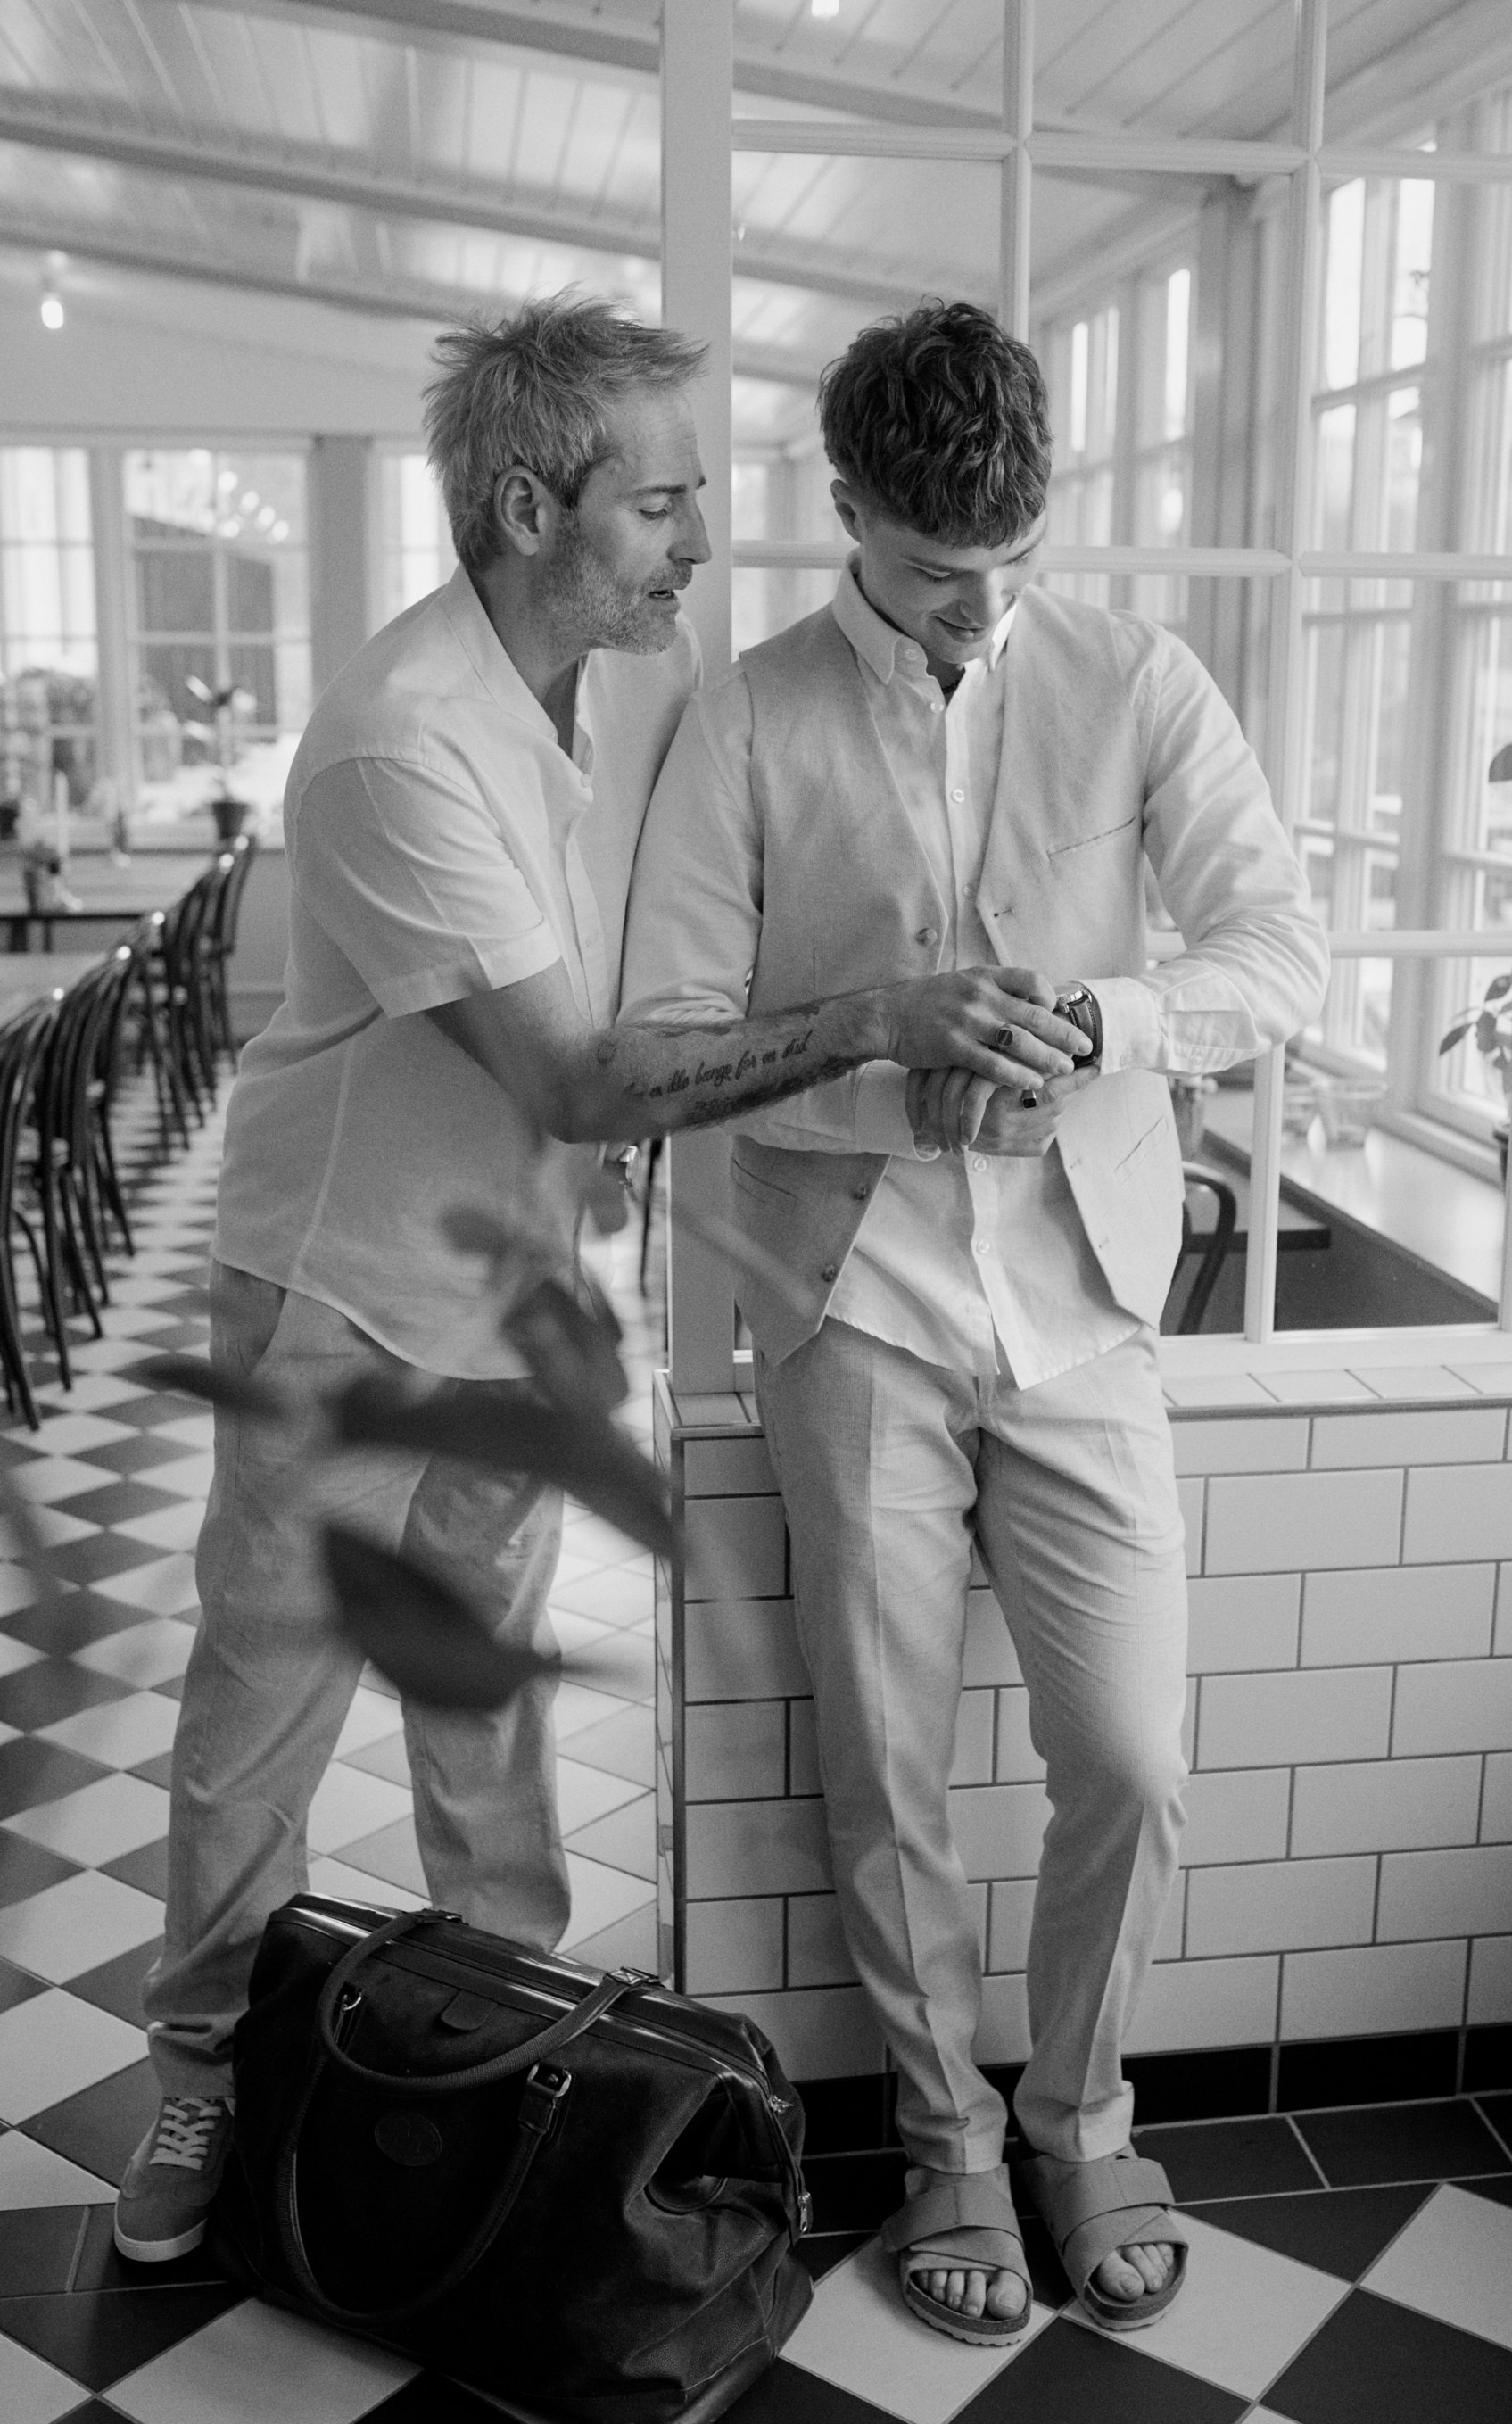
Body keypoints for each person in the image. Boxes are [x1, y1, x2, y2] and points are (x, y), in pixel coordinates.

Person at [116, 293, 1091, 2263]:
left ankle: (501, 2069)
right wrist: (884, 1014)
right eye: (661, 505)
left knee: (484, 1703)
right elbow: (575, 1070)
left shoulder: (636, 684)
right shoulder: (396, 741)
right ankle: (202, 2070)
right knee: (263, 1709)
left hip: (522, 1284)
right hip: (340, 1297)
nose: (704, 544)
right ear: (525, 507)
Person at [620, 301, 1329, 2345]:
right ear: (847, 506)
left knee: (1132, 1752)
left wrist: (1104, 1023)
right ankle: (946, 2143)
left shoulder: (1137, 677)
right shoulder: (742, 718)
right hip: (847, 1305)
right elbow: (668, 1043)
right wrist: (885, 1067)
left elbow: (1280, 952)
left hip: (1086, 1299)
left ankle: (1081, 2113)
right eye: (938, 567)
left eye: (1012, 557)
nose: (979, 602)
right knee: (888, 1769)